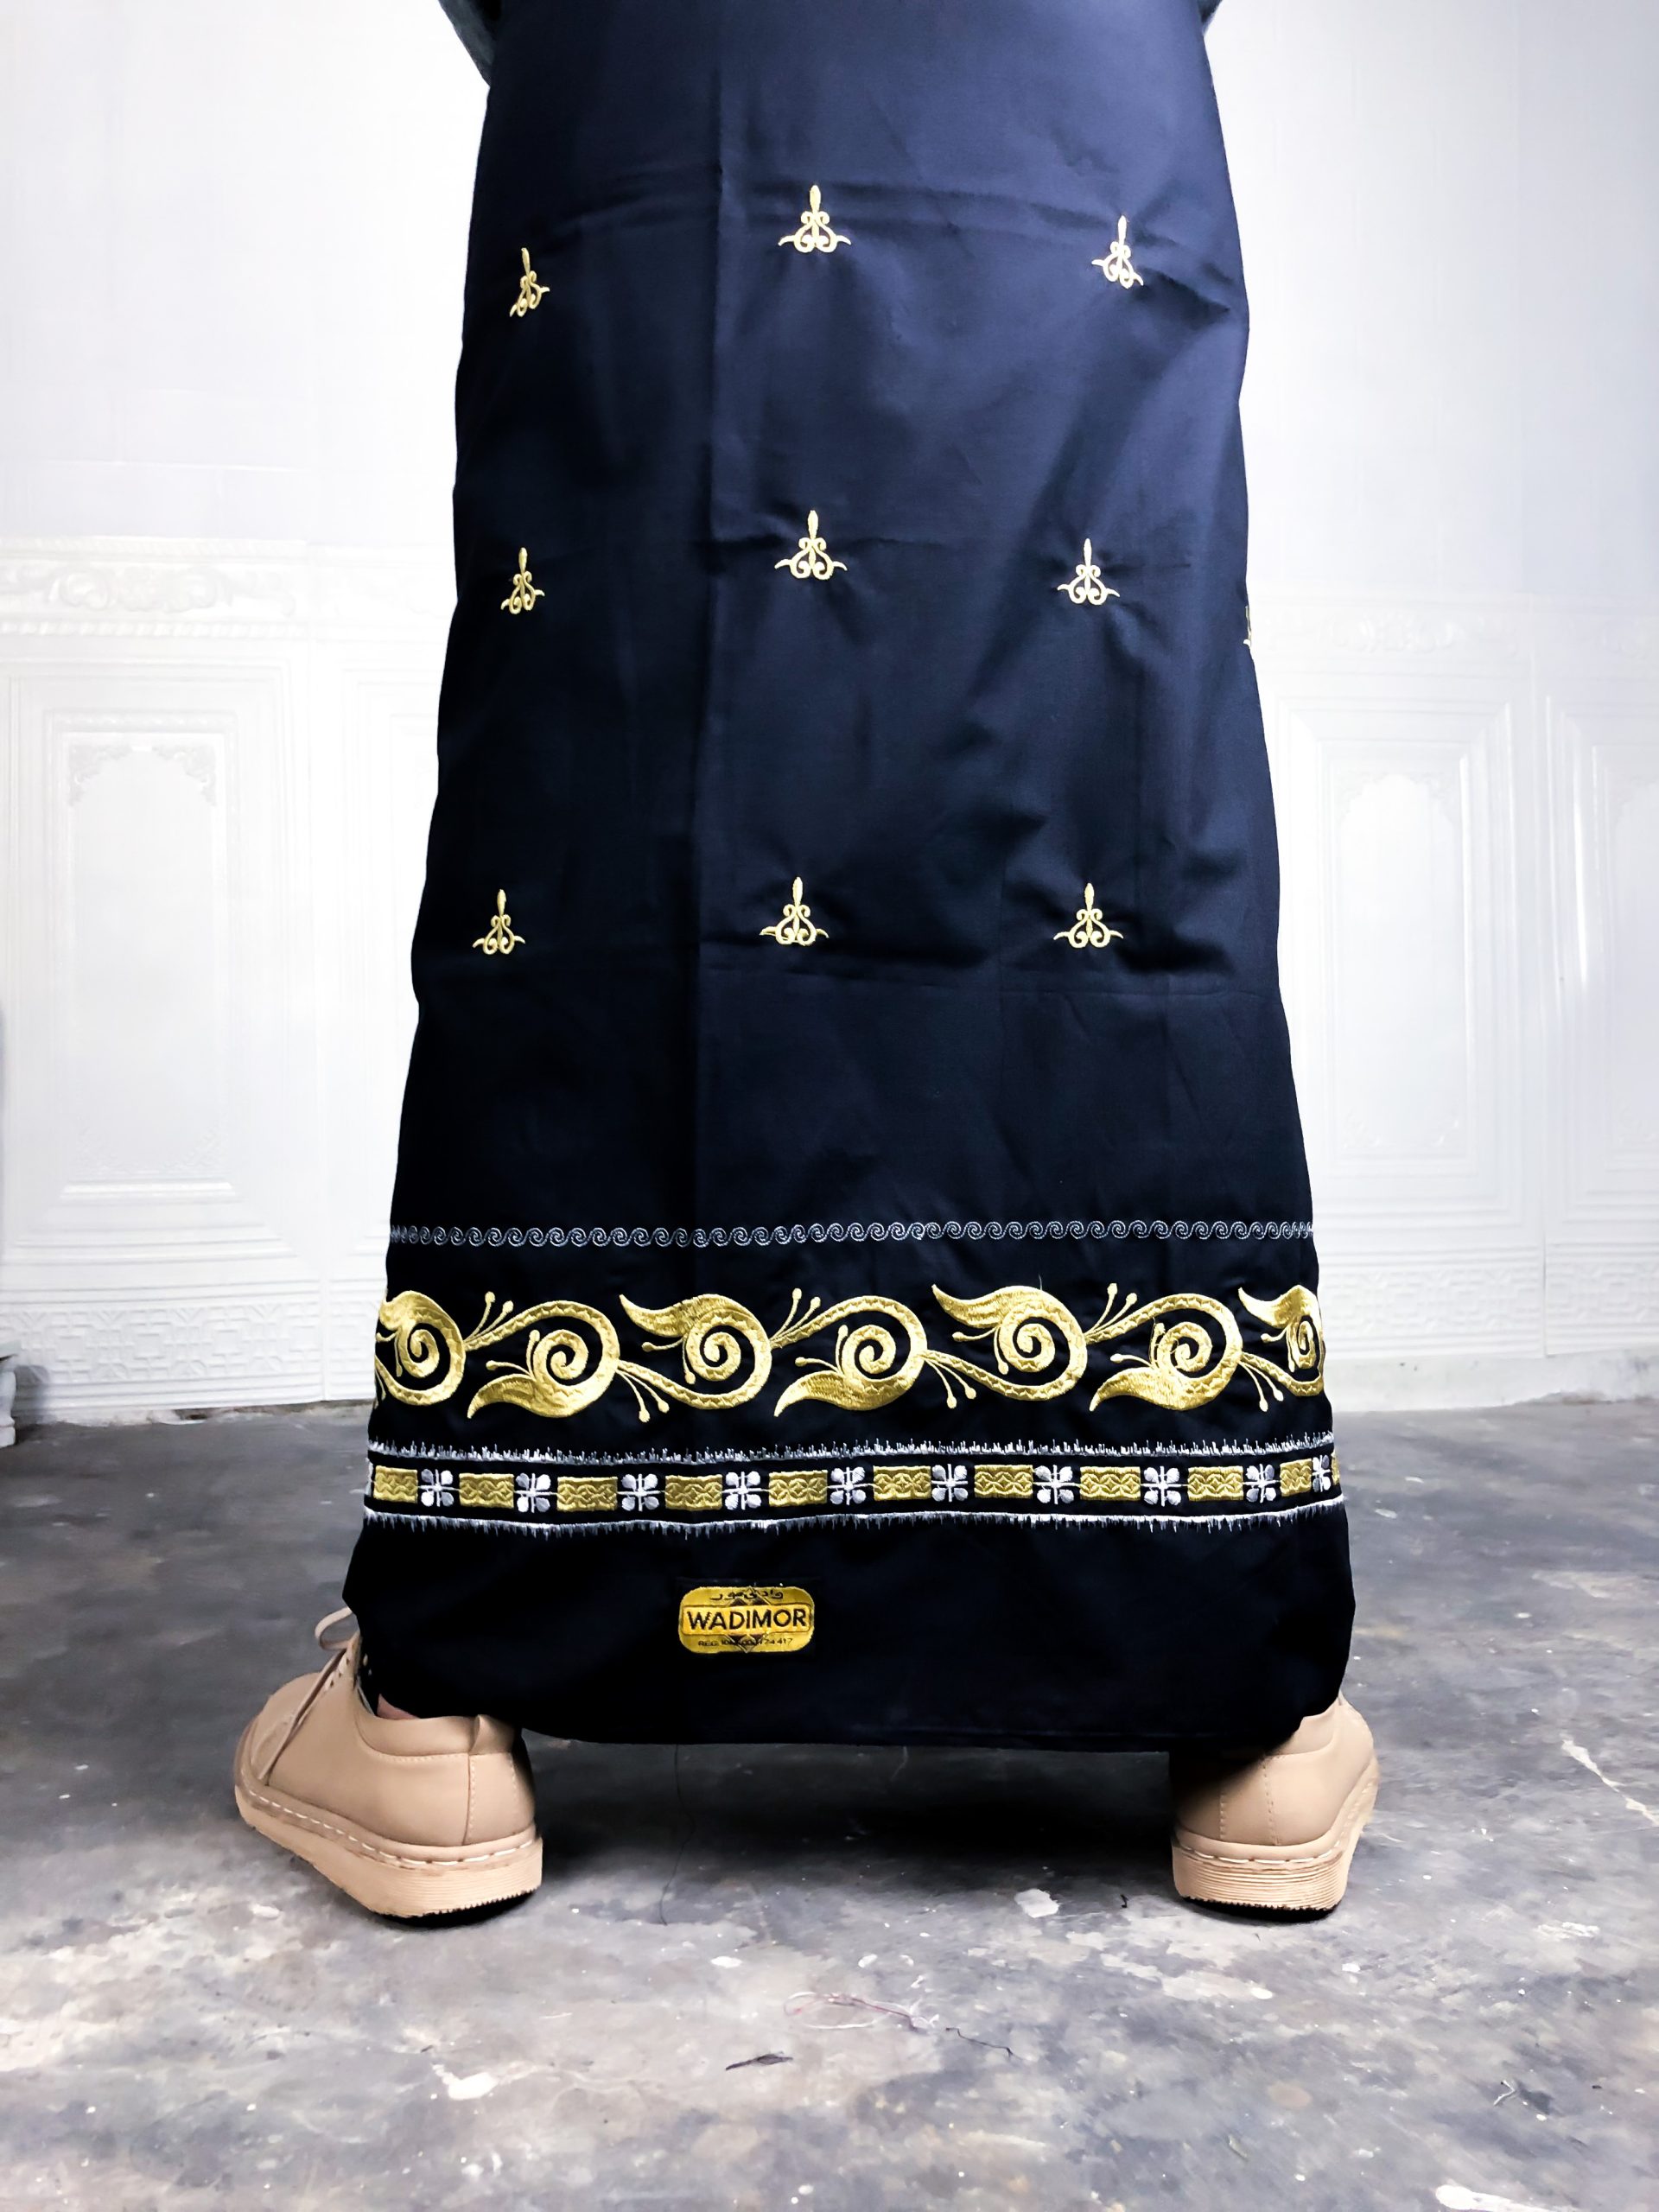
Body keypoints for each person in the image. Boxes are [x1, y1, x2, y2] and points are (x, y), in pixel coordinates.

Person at [235, 0, 1378, 1919]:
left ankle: (441, 1724)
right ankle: (1238, 1703)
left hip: (652, 120)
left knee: (608, 793)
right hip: (1074, 138)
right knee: (1110, 782)